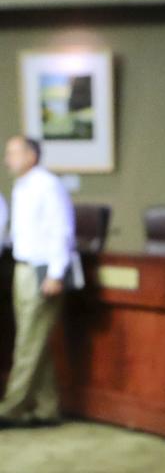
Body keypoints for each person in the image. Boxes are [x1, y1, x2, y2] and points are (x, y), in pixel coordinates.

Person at [0, 135, 76, 426]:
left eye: (13, 153)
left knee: (28, 343)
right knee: (35, 341)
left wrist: (56, 274)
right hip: (23, 269)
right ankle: (47, 408)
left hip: (43, 271)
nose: (7, 159)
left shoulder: (47, 186)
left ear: (31, 155)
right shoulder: (22, 186)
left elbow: (61, 231)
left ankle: (11, 408)